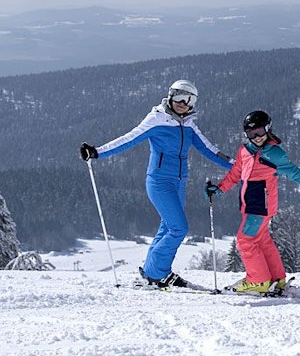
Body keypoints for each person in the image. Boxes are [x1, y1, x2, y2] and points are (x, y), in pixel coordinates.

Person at [79, 79, 232, 288]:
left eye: (189, 99)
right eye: (179, 96)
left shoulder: (188, 124)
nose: (183, 103)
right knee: (179, 228)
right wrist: (98, 152)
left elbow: (210, 149)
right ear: (170, 95)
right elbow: (128, 138)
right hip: (159, 182)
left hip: (179, 182)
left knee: (167, 226)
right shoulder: (157, 119)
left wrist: (240, 166)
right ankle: (157, 272)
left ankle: (154, 272)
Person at [206, 110, 300, 294]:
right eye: (251, 133)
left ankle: (258, 281)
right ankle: (276, 278)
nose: (256, 137)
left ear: (268, 129)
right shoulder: (245, 150)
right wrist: (219, 189)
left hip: (261, 206)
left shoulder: (275, 154)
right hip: (250, 205)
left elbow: (295, 173)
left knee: (245, 241)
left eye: (260, 132)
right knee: (262, 240)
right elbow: (235, 174)